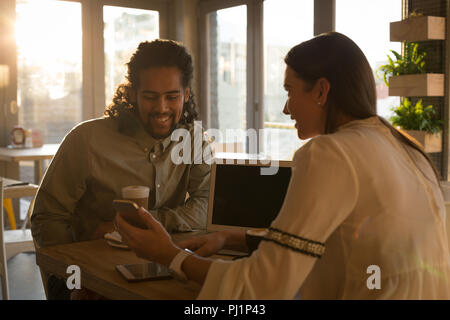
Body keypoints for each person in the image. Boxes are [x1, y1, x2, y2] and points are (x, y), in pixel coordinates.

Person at [115, 32, 450, 299]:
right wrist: (229, 238)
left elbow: (262, 287)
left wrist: (169, 256)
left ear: (321, 91)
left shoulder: (330, 153)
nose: (287, 108)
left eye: (290, 91)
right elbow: (331, 244)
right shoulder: (405, 148)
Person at [31, 39, 211, 299]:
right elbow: (47, 218)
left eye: (172, 97)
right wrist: (73, 275)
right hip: (86, 277)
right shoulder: (86, 140)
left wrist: (137, 227)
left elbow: (206, 203)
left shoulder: (194, 138)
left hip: (160, 269)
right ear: (132, 94)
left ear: (186, 94)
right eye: (150, 97)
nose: (161, 108)